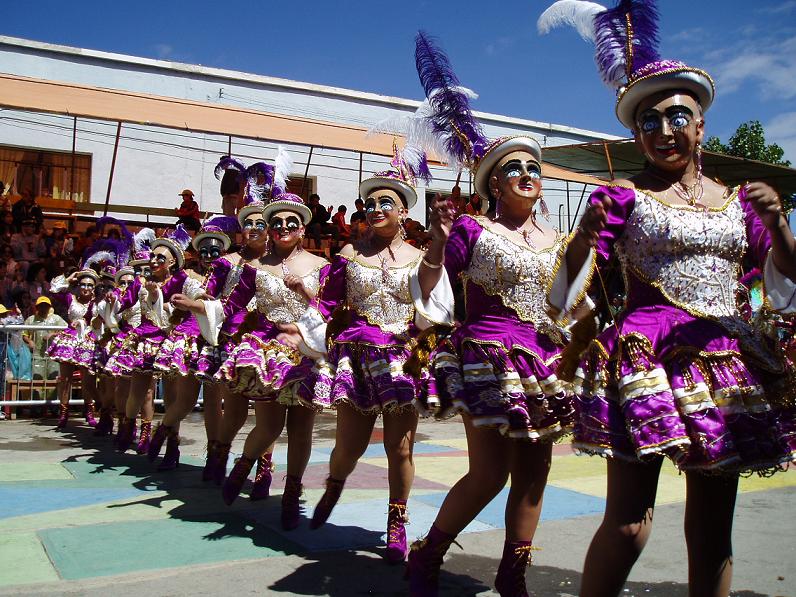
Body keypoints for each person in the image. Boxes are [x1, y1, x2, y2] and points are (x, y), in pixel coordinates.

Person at [539, 2, 796, 595]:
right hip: (642, 361)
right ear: (635, 135)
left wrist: (779, 224)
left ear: (702, 123)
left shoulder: (739, 201)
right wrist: (584, 234)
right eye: (647, 123)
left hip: (726, 362)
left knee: (712, 528)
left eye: (676, 116)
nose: (663, 131)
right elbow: (563, 294)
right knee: (629, 524)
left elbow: (786, 285)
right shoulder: (624, 197)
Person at [406, 33, 575, 596]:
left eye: (534, 166)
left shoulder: (558, 239)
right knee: (489, 472)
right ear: (494, 182)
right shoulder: (473, 230)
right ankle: (428, 554)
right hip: (488, 355)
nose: (528, 173)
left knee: (535, 472)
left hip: (544, 361)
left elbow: (569, 302)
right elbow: (431, 286)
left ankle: (513, 573)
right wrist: (435, 243)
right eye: (514, 167)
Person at [279, 144, 451, 561]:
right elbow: (329, 305)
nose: (376, 208)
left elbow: (432, 296)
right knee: (348, 449)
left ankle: (397, 522)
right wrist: (306, 295)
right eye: (370, 203)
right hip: (355, 360)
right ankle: (335, 484)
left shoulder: (419, 257)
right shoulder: (349, 254)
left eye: (385, 202)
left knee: (402, 448)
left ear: (403, 212)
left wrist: (441, 243)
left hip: (398, 359)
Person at [214, 192, 329, 529]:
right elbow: (232, 307)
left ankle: (292, 493)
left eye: (290, 222)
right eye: (275, 222)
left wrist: (306, 294)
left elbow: (329, 310)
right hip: (268, 354)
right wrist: (200, 313)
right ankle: (244, 464)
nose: (282, 227)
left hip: (306, 354)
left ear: (303, 227)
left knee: (301, 430)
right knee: (269, 427)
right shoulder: (254, 267)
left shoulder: (321, 266)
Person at [147, 215, 240, 471]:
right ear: (197, 252)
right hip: (189, 341)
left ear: (223, 251)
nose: (209, 256)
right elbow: (160, 296)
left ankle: (214, 457)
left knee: (213, 402)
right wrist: (156, 294)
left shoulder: (230, 275)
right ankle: (168, 439)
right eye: (204, 251)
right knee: (184, 400)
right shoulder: (187, 275)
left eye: (215, 251)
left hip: (217, 343)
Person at [105, 225, 203, 452]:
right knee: (137, 391)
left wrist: (185, 302)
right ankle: (128, 428)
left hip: (171, 342)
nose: (155, 260)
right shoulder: (140, 282)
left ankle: (172, 444)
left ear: (171, 263)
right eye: (153, 256)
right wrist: (113, 301)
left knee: (171, 395)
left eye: (161, 257)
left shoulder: (182, 280)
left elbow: (198, 297)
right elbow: (123, 303)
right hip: (146, 340)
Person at [45, 267, 101, 429]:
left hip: (89, 340)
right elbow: (53, 290)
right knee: (65, 379)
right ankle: (63, 413)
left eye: (90, 285)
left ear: (95, 287)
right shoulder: (71, 298)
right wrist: (69, 278)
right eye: (83, 284)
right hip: (69, 340)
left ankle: (89, 412)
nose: (86, 288)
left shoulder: (97, 303)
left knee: (88, 380)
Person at [23, 296, 66, 382]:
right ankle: (36, 396)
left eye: (45, 306)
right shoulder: (30, 320)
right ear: (37, 307)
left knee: (54, 379)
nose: (43, 308)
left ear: (49, 307)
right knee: (37, 380)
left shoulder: (56, 319)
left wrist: (53, 334)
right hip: (37, 355)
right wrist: (30, 341)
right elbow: (24, 334)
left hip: (53, 355)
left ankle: (53, 396)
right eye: (41, 306)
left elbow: (66, 331)